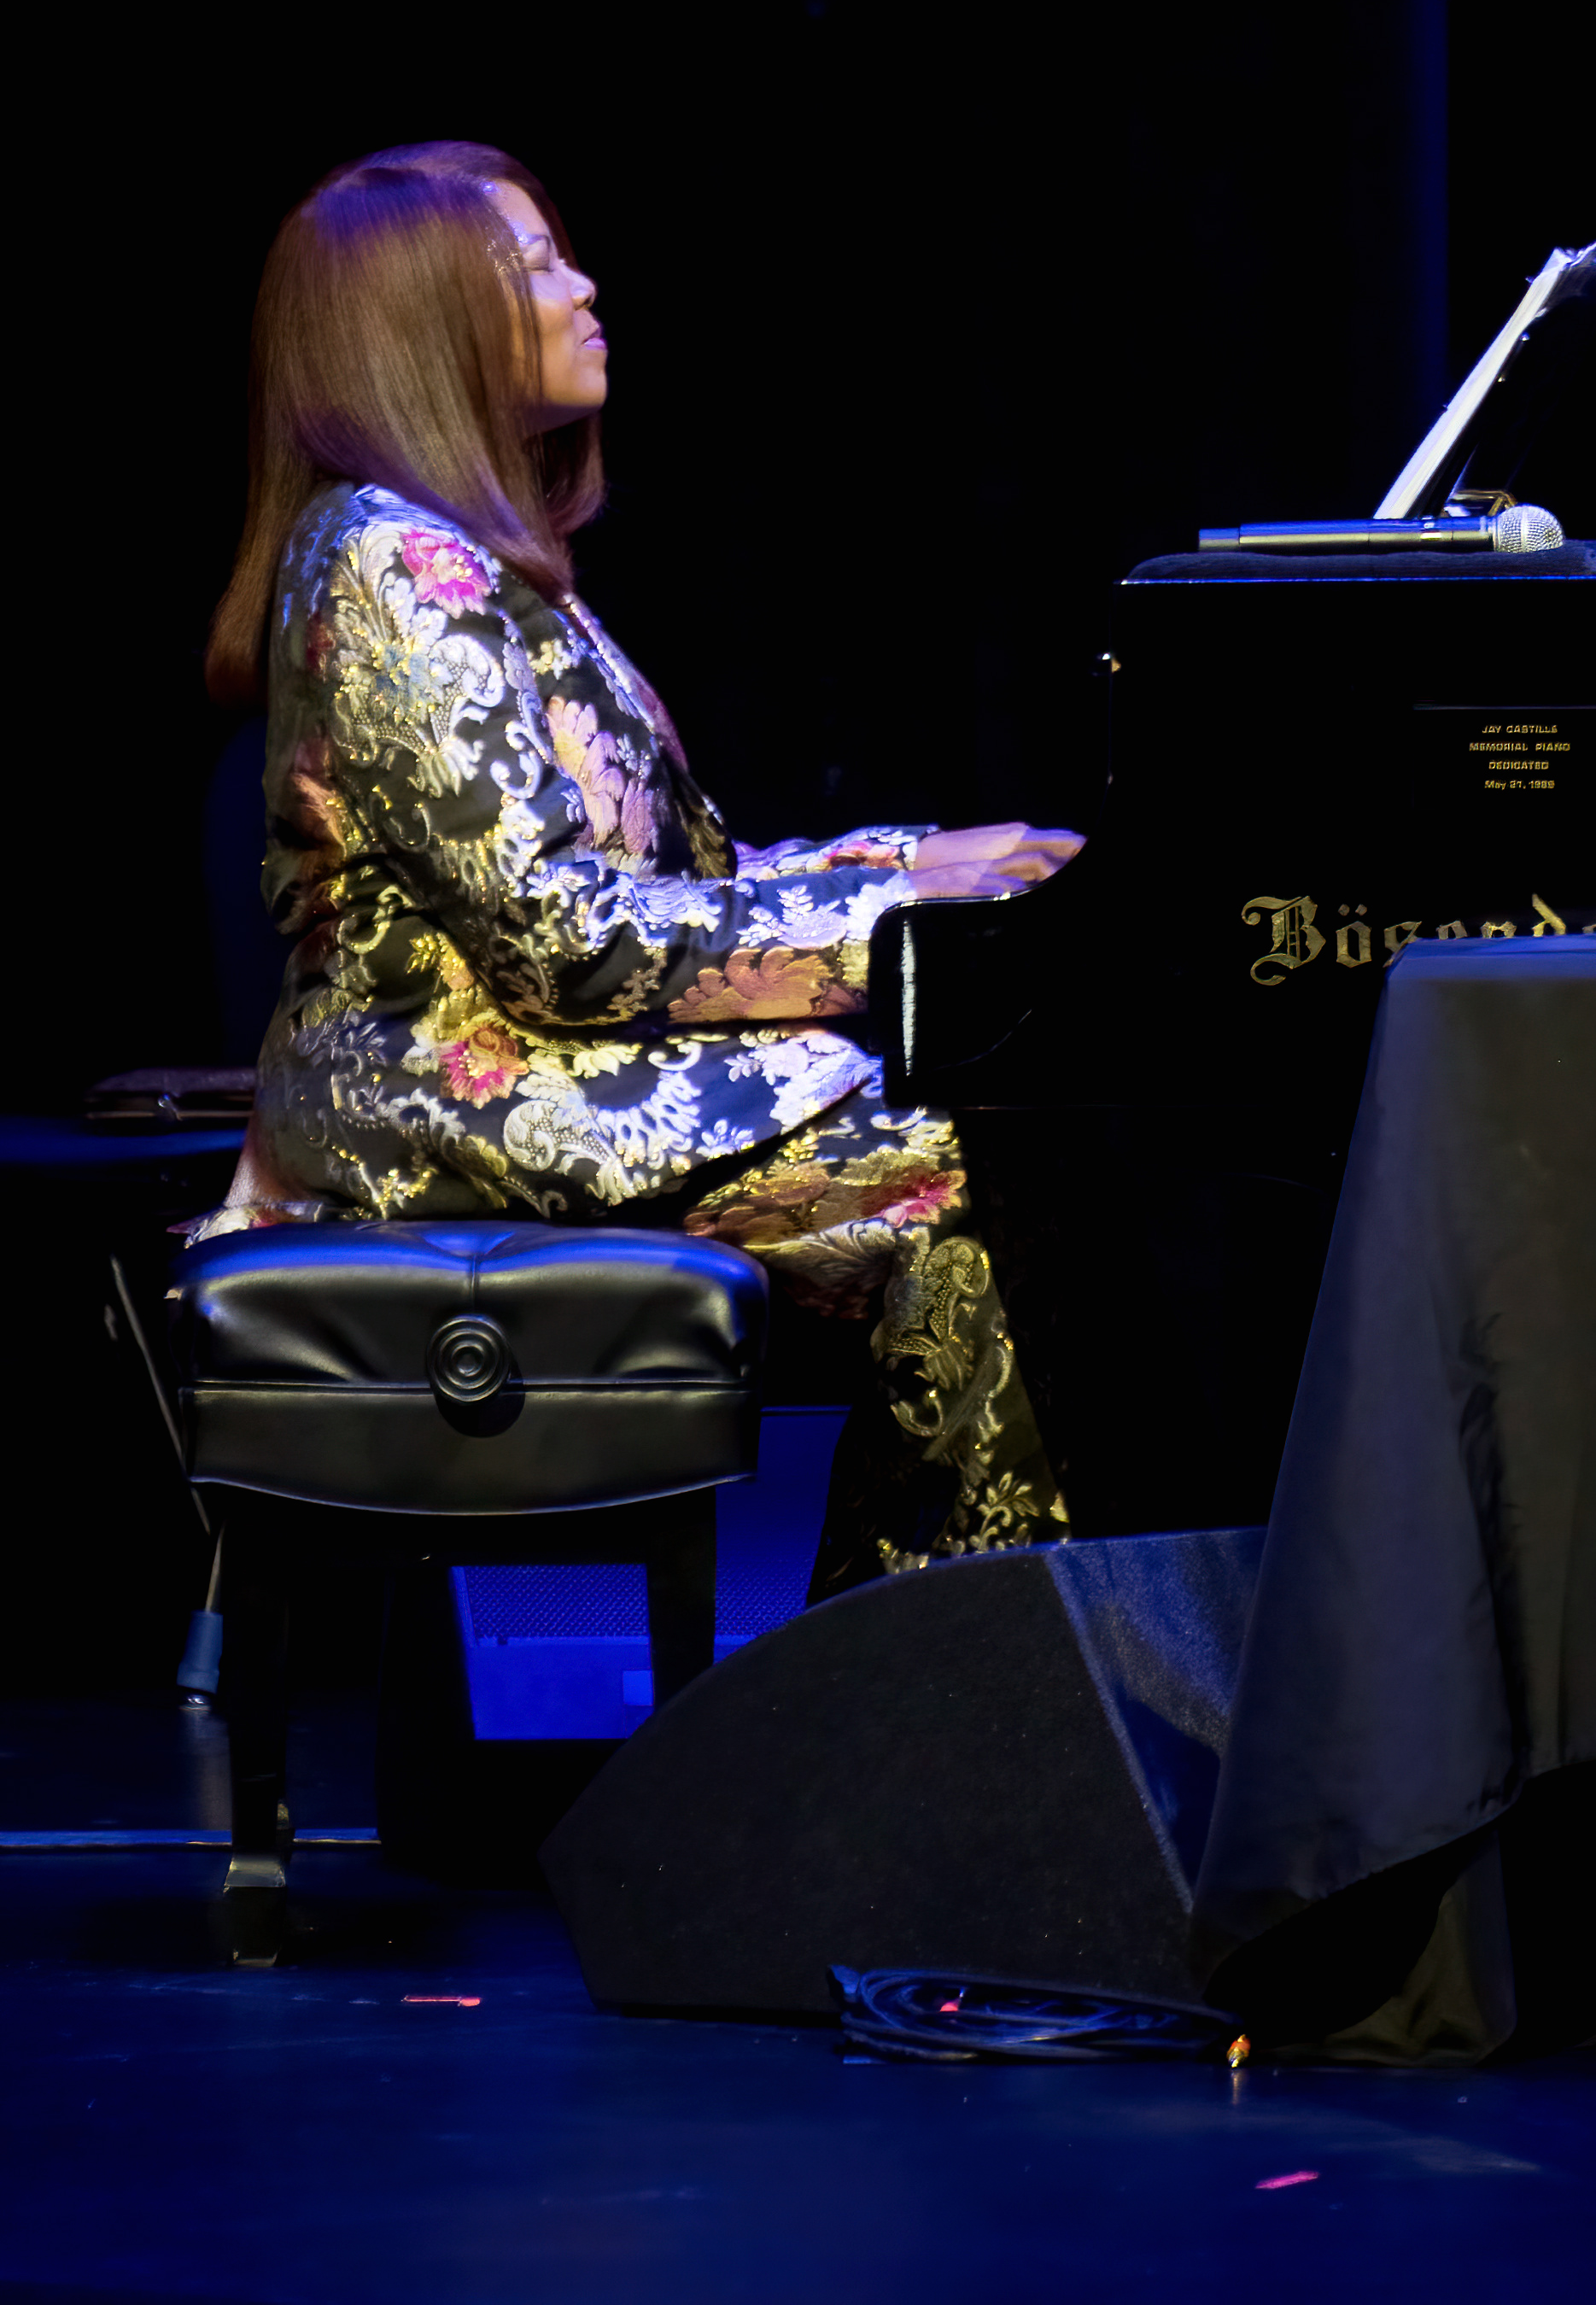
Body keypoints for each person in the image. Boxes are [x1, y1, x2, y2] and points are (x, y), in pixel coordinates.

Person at [198, 140, 1079, 1593]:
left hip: (533, 1077)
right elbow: (568, 938)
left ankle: (921, 1657)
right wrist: (905, 915)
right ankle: (926, 1667)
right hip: (439, 1118)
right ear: (422, 324)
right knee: (976, 1165)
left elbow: (688, 880)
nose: (583, 286)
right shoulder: (393, 561)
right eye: (533, 264)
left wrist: (919, 857)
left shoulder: (472, 565)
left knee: (1010, 1141)